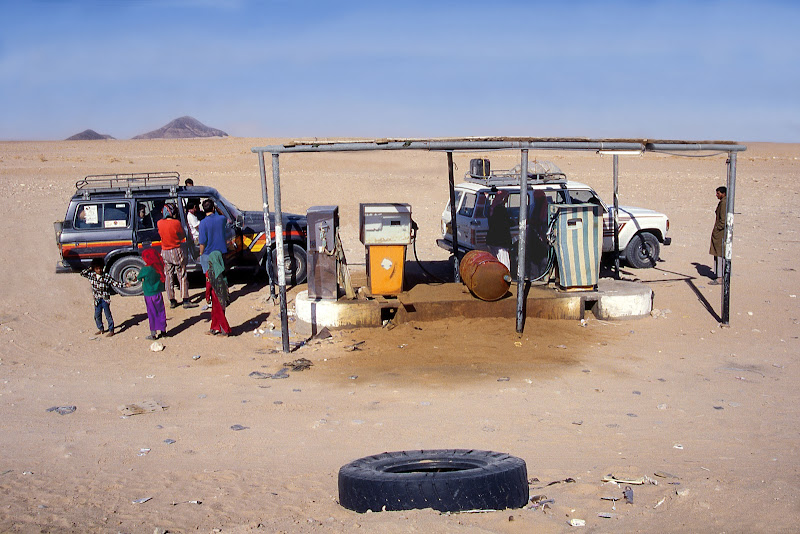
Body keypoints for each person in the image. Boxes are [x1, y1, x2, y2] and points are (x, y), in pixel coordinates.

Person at [157, 204, 197, 309]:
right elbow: (182, 235)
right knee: (182, 275)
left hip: (165, 251)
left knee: (168, 275)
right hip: (176, 250)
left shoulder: (159, 223)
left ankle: (172, 300)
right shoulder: (176, 223)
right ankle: (185, 299)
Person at [80, 258, 125, 337]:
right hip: (97, 299)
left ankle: (111, 330)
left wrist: (125, 285)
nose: (99, 270)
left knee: (108, 315)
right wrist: (90, 268)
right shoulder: (91, 275)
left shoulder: (106, 276)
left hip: (105, 299)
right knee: (97, 315)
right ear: (94, 269)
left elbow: (115, 283)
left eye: (100, 268)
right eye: (97, 268)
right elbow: (82, 273)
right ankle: (101, 329)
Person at [198, 199, 229, 303]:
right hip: (221, 253)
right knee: (221, 275)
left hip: (208, 254)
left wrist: (200, 254)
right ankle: (224, 296)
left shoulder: (202, 223)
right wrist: (217, 209)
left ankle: (211, 298)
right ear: (213, 208)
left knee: (210, 279)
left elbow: (202, 242)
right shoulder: (221, 219)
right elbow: (224, 216)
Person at [135, 249, 168, 340]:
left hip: (149, 294)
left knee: (152, 313)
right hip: (158, 293)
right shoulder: (158, 267)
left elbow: (139, 277)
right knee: (161, 311)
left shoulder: (145, 269)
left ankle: (153, 334)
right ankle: (163, 330)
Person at [205, 250, 231, 336]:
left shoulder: (210, 272)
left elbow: (208, 285)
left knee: (218, 313)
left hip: (215, 296)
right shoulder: (223, 270)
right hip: (223, 295)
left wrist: (207, 297)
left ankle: (225, 330)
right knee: (217, 313)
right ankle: (214, 328)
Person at [486, 189, 512, 270]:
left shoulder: (492, 208)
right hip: (500, 242)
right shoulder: (500, 209)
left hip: (492, 240)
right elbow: (505, 223)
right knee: (504, 264)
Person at [709, 186, 727, 285]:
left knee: (720, 254)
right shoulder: (723, 202)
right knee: (719, 254)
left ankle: (720, 277)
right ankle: (719, 274)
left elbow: (723, 220)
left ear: (723, 194)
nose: (717, 195)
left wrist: (717, 229)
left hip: (720, 233)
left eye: (718, 193)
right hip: (720, 232)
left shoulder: (724, 203)